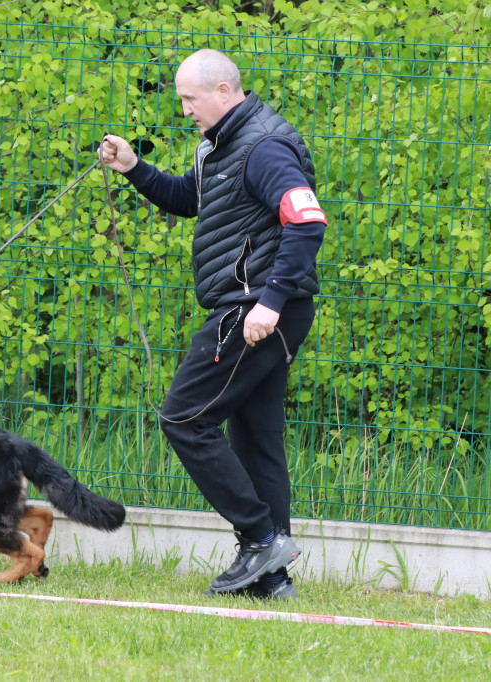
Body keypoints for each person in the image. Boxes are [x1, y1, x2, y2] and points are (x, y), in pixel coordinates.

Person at [100, 49, 327, 600]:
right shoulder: (216, 146)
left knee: (184, 418)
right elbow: (188, 199)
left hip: (255, 308)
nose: (185, 111)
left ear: (224, 91)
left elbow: (307, 220)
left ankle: (259, 539)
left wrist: (268, 303)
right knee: (255, 436)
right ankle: (271, 578)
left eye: (189, 99)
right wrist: (135, 168)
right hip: (258, 305)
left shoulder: (264, 147)